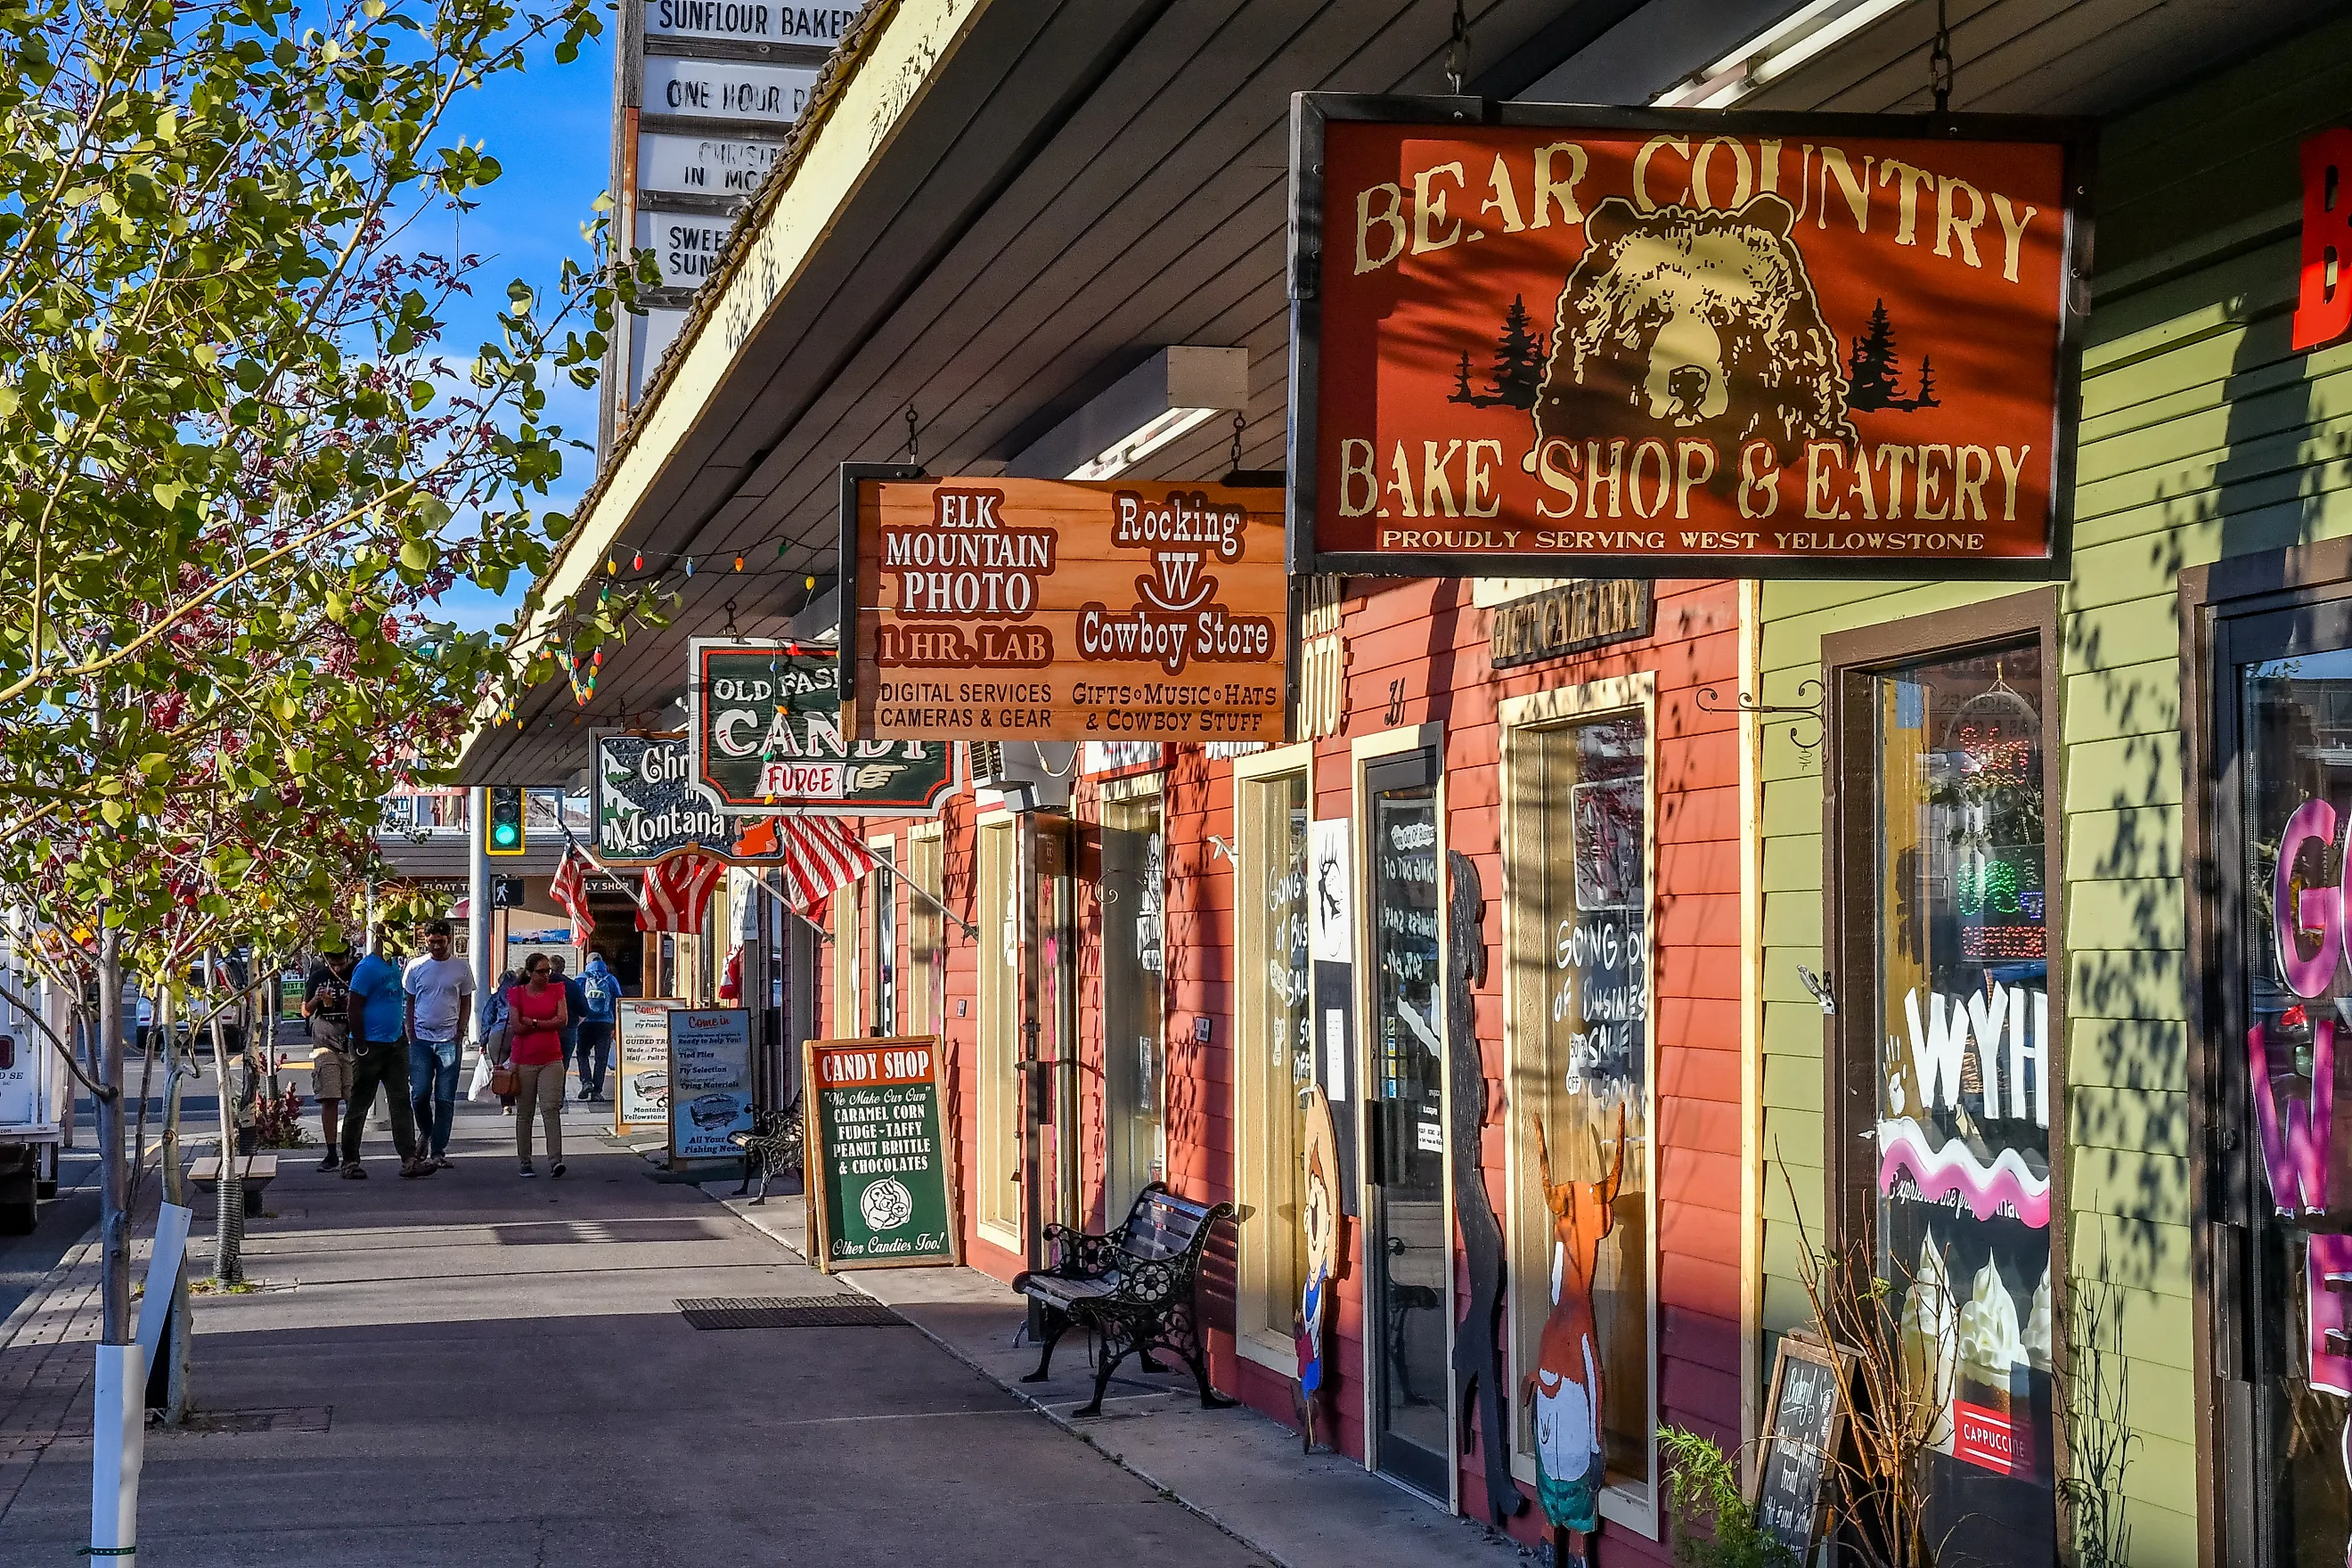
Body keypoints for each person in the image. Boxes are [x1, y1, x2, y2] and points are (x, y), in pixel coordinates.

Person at [343, 928, 433, 1179]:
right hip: (369, 1045)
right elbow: (354, 1007)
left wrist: (402, 1035)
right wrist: (360, 1042)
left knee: (401, 1101)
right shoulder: (367, 968)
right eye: (398, 936)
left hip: (395, 1043)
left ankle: (409, 1159)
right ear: (385, 938)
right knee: (360, 1103)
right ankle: (349, 1161)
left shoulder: (393, 965)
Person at [404, 919, 475, 1170]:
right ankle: (426, 1130)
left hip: (449, 1040)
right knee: (419, 1093)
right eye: (431, 941)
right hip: (421, 1040)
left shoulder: (461, 967)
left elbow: (466, 1000)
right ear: (425, 940)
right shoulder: (415, 967)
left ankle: (438, 1151)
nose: (436, 946)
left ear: (449, 940)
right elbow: (410, 1001)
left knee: (445, 1098)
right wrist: (410, 1031)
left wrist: (461, 1030)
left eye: (440, 941)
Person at [504, 955, 568, 1177]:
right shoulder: (517, 994)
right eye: (541, 971)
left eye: (548, 971)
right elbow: (516, 1026)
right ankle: (525, 1160)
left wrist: (533, 1022)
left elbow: (562, 1020)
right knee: (525, 1112)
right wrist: (545, 1024)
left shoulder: (557, 990)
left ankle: (555, 1160)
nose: (545, 975)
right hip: (524, 1060)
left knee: (551, 1108)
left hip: (552, 1057)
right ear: (530, 973)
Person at [302, 943, 357, 1172]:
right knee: (329, 1097)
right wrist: (317, 998)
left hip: (351, 1042)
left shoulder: (357, 973)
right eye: (332, 964)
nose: (337, 968)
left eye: (341, 963)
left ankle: (351, 1151)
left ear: (348, 958)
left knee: (353, 1098)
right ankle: (331, 1151)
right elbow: (305, 1011)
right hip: (325, 1042)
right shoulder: (318, 976)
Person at [575, 950, 618, 1102]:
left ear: (588, 963)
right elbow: (618, 1001)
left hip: (584, 1022)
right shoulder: (610, 979)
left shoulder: (581, 978)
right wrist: (615, 1023)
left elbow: (574, 1000)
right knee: (601, 1057)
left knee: (582, 1054)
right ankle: (597, 1091)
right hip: (605, 1022)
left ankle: (586, 1082)